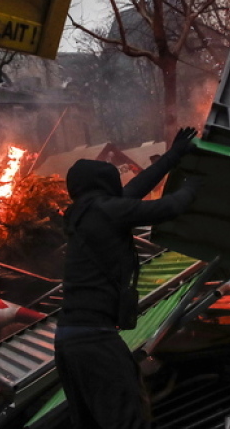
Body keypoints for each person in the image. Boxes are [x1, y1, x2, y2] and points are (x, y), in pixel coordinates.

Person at [55, 126, 203, 429]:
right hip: (95, 339)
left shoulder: (86, 213)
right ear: (104, 184)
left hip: (70, 341)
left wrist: (173, 156)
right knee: (127, 419)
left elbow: (137, 187)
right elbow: (169, 207)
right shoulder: (106, 211)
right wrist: (195, 185)